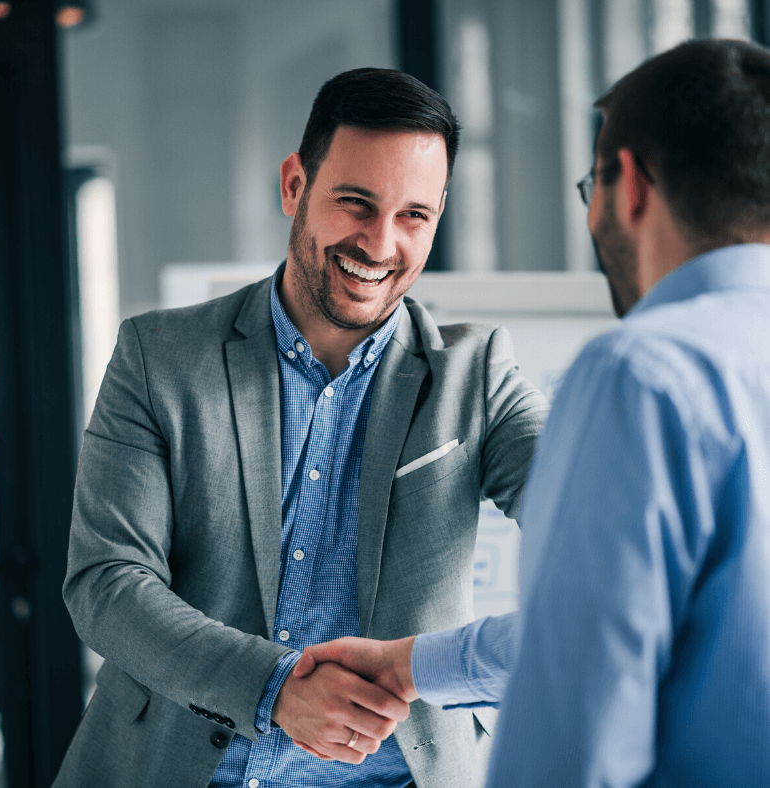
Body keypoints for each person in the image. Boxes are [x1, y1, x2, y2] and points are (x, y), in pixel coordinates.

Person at [54, 67, 548, 788]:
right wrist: (275, 687)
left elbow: (604, 543)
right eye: (356, 203)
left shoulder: (477, 376)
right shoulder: (158, 358)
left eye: (414, 216)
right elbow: (106, 583)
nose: (381, 244)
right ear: (295, 185)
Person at [298, 39, 770, 787]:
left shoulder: (642, 374)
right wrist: (409, 665)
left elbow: (578, 692)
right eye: (356, 201)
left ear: (628, 186)